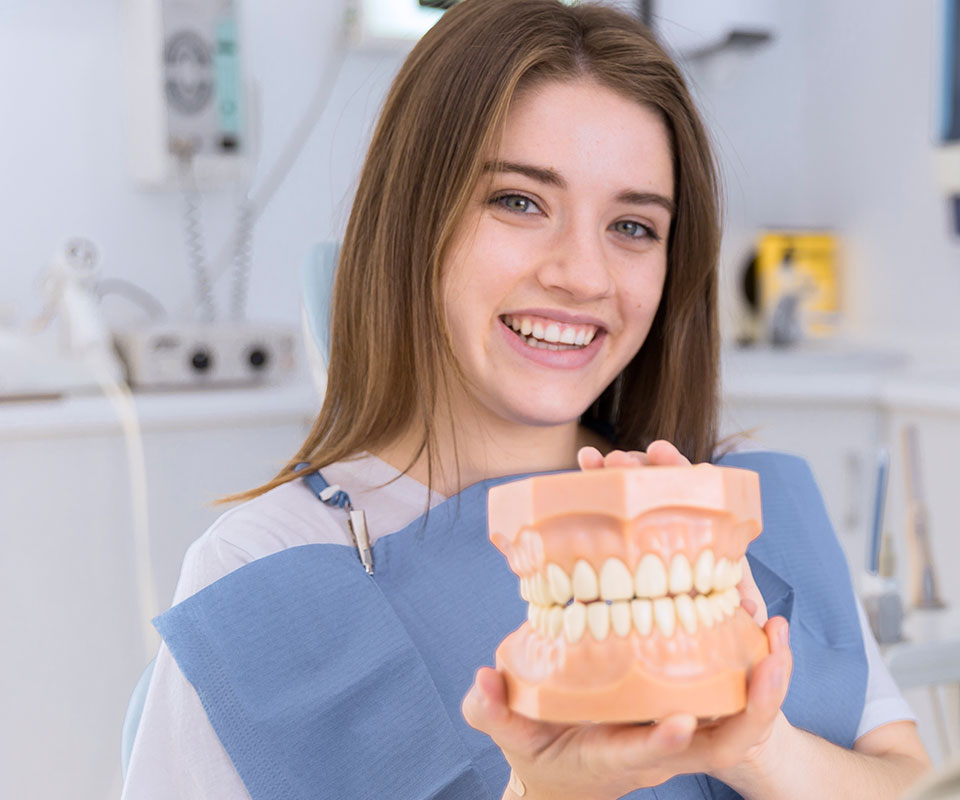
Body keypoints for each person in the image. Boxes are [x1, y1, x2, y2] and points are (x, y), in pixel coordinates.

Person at [121, 1, 933, 798]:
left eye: (634, 227)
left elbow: (907, 779)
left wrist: (762, 747)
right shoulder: (264, 576)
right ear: (413, 219)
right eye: (520, 201)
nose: (583, 275)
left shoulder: (728, 509)